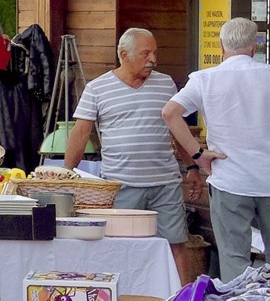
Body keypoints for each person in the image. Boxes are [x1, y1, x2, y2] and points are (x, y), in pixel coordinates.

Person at [166, 18, 270, 280]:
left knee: (235, 260)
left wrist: (199, 154)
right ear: (254, 46)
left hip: (229, 179)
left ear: (222, 45)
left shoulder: (204, 79)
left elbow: (170, 113)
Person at [68, 28, 192, 252]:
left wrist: (192, 167)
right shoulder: (97, 88)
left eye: (154, 53)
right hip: (120, 185)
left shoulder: (166, 84)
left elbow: (178, 130)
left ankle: (180, 289)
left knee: (175, 244)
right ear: (124, 55)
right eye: (145, 53)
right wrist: (67, 173)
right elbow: (80, 133)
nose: (152, 59)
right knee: (119, 247)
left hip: (165, 183)